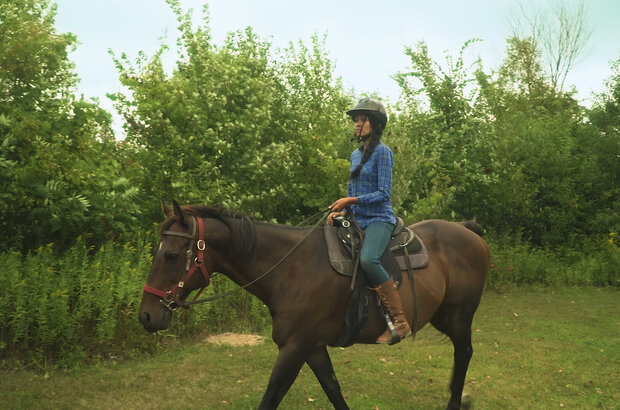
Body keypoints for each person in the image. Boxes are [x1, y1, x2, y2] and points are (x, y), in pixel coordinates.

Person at [328, 97, 412, 344]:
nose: (356, 124)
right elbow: (353, 191)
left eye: (362, 120)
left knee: (368, 258)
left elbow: (383, 193)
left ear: (374, 124)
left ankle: (400, 322)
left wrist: (349, 201)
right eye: (355, 120)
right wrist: (341, 213)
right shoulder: (355, 155)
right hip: (357, 219)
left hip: (379, 219)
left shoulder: (383, 153)